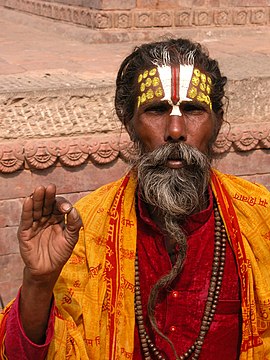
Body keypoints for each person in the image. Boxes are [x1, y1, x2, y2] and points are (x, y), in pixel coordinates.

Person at [0, 38, 269, 360]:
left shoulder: (260, 218)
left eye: (193, 110)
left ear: (218, 121)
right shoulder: (85, 229)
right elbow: (23, 354)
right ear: (128, 121)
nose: (175, 130)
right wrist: (38, 282)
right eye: (156, 110)